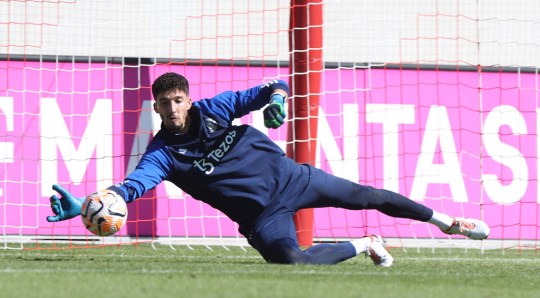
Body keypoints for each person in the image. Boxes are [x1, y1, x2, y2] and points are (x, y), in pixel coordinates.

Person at [46, 72, 490, 267]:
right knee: (291, 260)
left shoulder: (215, 109)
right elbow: (134, 184)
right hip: (262, 217)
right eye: (165, 104)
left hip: (295, 180)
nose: (174, 109)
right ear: (157, 108)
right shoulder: (162, 152)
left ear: (187, 98)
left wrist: (277, 100)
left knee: (367, 196)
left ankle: (448, 222)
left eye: (178, 100)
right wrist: (95, 204)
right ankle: (364, 243)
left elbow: (271, 87)